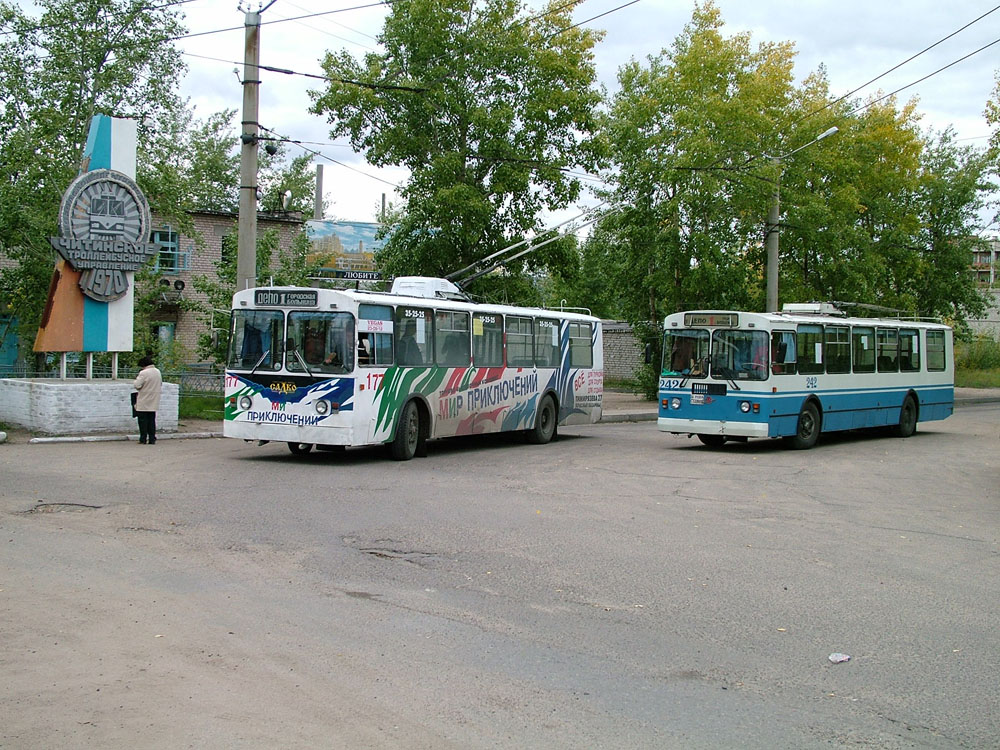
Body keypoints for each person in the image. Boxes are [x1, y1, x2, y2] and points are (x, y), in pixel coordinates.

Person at [133, 355, 163, 445]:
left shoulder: (143, 373)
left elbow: (137, 385)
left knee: (142, 421)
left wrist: (135, 380)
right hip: (154, 399)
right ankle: (152, 438)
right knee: (151, 420)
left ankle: (143, 439)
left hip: (144, 399)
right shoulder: (158, 371)